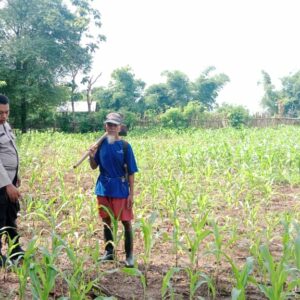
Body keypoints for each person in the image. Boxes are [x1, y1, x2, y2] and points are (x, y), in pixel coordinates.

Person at [89, 112, 138, 268]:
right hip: (103, 187)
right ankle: (109, 252)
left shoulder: (125, 146)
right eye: (109, 124)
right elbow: (93, 166)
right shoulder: (101, 144)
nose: (111, 127)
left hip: (120, 187)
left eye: (114, 125)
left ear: (119, 128)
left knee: (126, 221)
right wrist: (91, 155)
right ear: (105, 126)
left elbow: (131, 171)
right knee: (106, 220)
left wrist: (131, 194)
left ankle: (129, 256)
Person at [0, 94, 24, 267]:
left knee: (11, 214)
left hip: (10, 179)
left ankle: (14, 248)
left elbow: (11, 151)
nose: (4, 116)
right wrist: (7, 184)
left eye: (7, 112)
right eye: (0, 113)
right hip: (2, 182)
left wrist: (16, 175)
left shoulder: (6, 126)